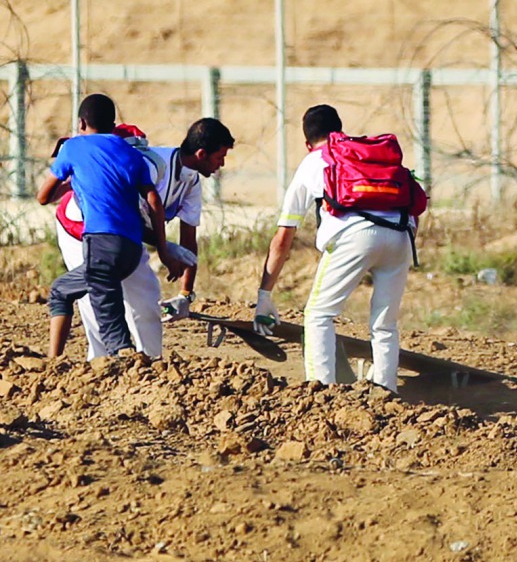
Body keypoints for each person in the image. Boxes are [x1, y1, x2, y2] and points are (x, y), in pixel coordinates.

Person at [254, 105, 415, 391]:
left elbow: (284, 237)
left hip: (354, 235)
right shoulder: (367, 155)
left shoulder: (314, 161)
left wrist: (265, 294)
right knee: (384, 323)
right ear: (339, 131)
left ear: (307, 143)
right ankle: (387, 392)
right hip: (402, 234)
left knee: (318, 315)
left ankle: (322, 393)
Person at [52, 119, 234, 359]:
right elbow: (128, 217)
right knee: (97, 299)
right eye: (219, 157)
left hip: (124, 234)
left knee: (146, 297)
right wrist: (165, 247)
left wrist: (185, 294)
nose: (221, 164)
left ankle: (150, 367)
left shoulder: (192, 181)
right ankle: (99, 366)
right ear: (201, 154)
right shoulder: (152, 165)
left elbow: (188, 239)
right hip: (82, 227)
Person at [35, 94, 188, 358]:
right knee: (62, 291)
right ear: (112, 123)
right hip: (131, 248)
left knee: (113, 334)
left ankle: (127, 369)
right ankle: (53, 364)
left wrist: (76, 179)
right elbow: (154, 201)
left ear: (81, 122)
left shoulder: (73, 147)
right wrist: (164, 251)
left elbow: (43, 196)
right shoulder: (130, 153)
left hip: (101, 245)